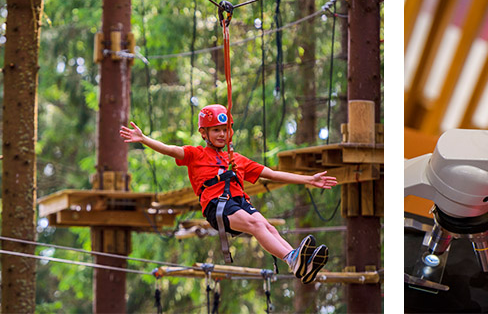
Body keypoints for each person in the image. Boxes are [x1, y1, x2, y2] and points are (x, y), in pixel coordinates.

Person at [119, 104, 337, 284]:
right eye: (216, 130)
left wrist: (309, 179)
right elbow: (171, 150)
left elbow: (271, 174)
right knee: (257, 225)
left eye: (225, 129)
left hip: (240, 202)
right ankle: (292, 258)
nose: (222, 134)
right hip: (218, 206)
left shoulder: (237, 159)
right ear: (204, 133)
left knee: (268, 226)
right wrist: (145, 139)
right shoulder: (196, 155)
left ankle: (300, 264)